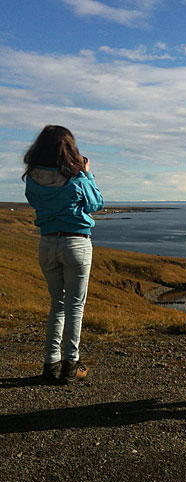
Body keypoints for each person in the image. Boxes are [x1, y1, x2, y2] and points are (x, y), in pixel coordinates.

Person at [23, 125, 104, 383]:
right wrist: (87, 174)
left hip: (47, 244)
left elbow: (35, 201)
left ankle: (50, 364)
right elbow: (96, 204)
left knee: (56, 305)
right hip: (76, 244)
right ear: (69, 148)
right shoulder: (76, 178)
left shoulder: (33, 177)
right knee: (75, 306)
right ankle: (71, 364)